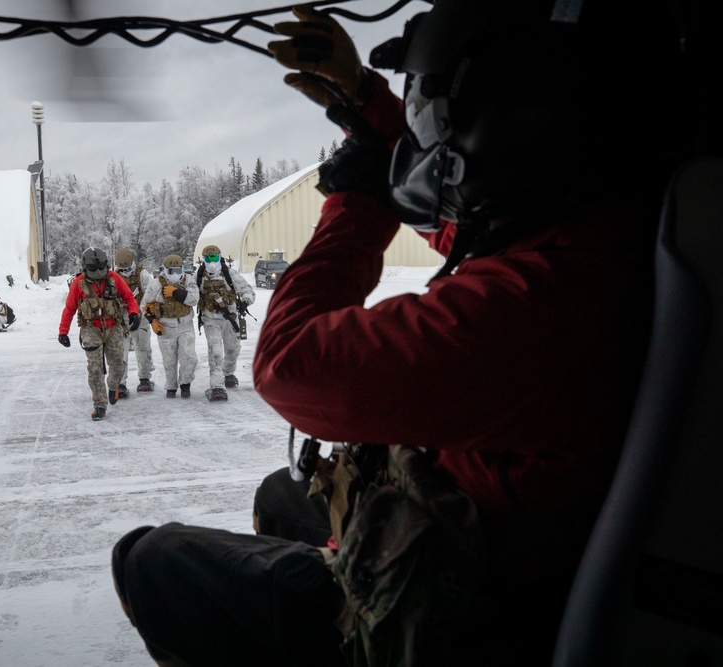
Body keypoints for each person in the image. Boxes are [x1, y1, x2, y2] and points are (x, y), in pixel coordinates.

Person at [112, 1, 689, 664]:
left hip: (469, 604)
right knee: (282, 494)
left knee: (150, 559)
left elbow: (289, 364)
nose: (426, 145)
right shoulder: (590, 241)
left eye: (439, 120)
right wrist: (366, 101)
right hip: (482, 528)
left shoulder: (528, 310)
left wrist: (356, 206)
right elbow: (461, 229)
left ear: (514, 123)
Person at [59, 247, 140, 421]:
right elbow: (70, 308)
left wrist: (134, 313)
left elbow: (129, 298)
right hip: (91, 328)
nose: (97, 272)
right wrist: (63, 332)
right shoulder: (78, 283)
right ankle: (100, 404)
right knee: (95, 369)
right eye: (93, 269)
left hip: (113, 327)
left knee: (119, 365)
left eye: (100, 268)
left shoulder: (114, 278)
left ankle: (113, 386)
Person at [195, 244, 256, 402]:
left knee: (232, 349)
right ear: (203, 259)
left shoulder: (230, 274)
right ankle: (217, 386)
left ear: (220, 257)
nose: (211, 261)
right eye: (208, 258)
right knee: (215, 351)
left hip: (230, 318)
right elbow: (192, 294)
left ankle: (228, 373)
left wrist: (245, 301)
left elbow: (247, 289)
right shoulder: (199, 276)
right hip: (210, 319)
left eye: (214, 258)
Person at [140, 254, 199, 399]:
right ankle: (171, 387)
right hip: (165, 327)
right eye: (171, 271)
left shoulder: (188, 281)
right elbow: (145, 304)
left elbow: (194, 299)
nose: (175, 275)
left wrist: (177, 292)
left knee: (189, 357)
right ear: (165, 270)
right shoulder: (156, 284)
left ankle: (185, 385)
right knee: (169, 359)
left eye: (178, 270)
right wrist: (152, 320)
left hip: (185, 325)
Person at [114, 247, 157, 395]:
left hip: (140, 316)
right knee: (121, 351)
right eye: (122, 269)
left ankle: (145, 378)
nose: (125, 271)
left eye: (127, 268)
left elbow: (149, 296)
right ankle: (120, 383)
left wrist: (140, 314)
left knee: (143, 348)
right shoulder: (114, 276)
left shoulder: (143, 275)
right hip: (121, 319)